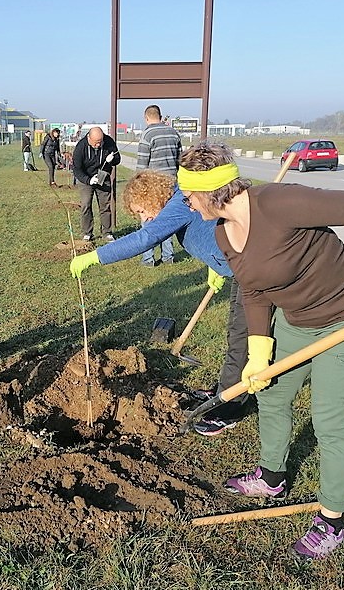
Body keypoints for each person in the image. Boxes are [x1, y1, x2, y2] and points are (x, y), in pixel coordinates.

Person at [177, 142, 344, 562]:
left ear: (209, 191)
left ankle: (332, 519)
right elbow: (255, 293)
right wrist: (258, 353)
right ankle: (272, 477)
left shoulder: (279, 202)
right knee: (271, 392)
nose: (186, 204)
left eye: (188, 195)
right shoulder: (223, 230)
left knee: (329, 420)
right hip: (297, 321)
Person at [69, 169, 252, 433]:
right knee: (236, 335)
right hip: (238, 270)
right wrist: (217, 265)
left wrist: (96, 256)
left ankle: (231, 408)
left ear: (152, 196)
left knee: (241, 340)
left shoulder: (179, 205)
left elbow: (146, 239)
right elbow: (212, 231)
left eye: (142, 211)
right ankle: (226, 389)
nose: (145, 218)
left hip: (252, 273)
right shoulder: (180, 202)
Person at [136, 104, 182, 267]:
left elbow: (141, 165)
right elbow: (179, 161)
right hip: (171, 183)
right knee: (166, 219)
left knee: (149, 220)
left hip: (153, 185)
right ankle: (168, 256)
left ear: (146, 118)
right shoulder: (173, 133)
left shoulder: (147, 134)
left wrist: (138, 186)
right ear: (160, 116)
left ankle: (148, 259)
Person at [72, 127, 121, 241]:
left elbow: (117, 159)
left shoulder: (109, 142)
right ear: (89, 138)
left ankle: (107, 232)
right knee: (86, 205)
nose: (98, 145)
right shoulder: (81, 147)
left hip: (103, 176)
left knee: (105, 205)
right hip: (86, 178)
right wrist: (88, 180)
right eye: (95, 143)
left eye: (100, 142)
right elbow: (76, 169)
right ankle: (87, 232)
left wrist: (112, 159)